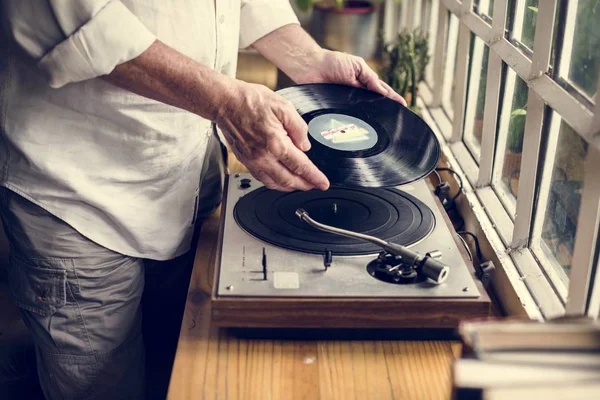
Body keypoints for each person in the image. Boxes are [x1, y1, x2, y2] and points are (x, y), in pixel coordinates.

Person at [0, 1, 405, 399]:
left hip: (191, 184)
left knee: (172, 371)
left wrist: (309, 58)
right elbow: (71, 20)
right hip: (80, 196)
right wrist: (225, 101)